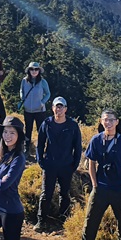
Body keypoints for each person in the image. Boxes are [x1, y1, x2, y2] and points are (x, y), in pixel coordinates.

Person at [72, 108, 121, 240]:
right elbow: (91, 163)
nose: (108, 123)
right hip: (100, 188)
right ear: (101, 121)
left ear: (117, 122)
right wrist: (94, 184)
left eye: (111, 120)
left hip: (118, 190)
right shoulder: (96, 140)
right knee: (90, 221)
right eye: (105, 119)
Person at [35, 97, 83, 232]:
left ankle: (63, 220)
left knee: (64, 193)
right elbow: (40, 144)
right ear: (52, 108)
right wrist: (41, 161)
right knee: (46, 194)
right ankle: (41, 221)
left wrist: (74, 164)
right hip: (50, 164)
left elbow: (77, 146)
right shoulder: (47, 123)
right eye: (56, 106)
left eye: (61, 107)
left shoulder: (72, 126)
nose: (59, 109)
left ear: (66, 109)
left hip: (66, 166)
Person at [18, 61, 50, 151]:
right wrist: (23, 98)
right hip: (28, 110)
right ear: (29, 71)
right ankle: (26, 148)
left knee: (41, 130)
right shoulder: (24, 81)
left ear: (39, 71)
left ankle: (40, 149)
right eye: (32, 69)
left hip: (40, 110)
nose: (34, 71)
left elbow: (48, 94)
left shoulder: (43, 82)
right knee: (28, 129)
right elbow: (21, 90)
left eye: (36, 69)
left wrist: (42, 102)